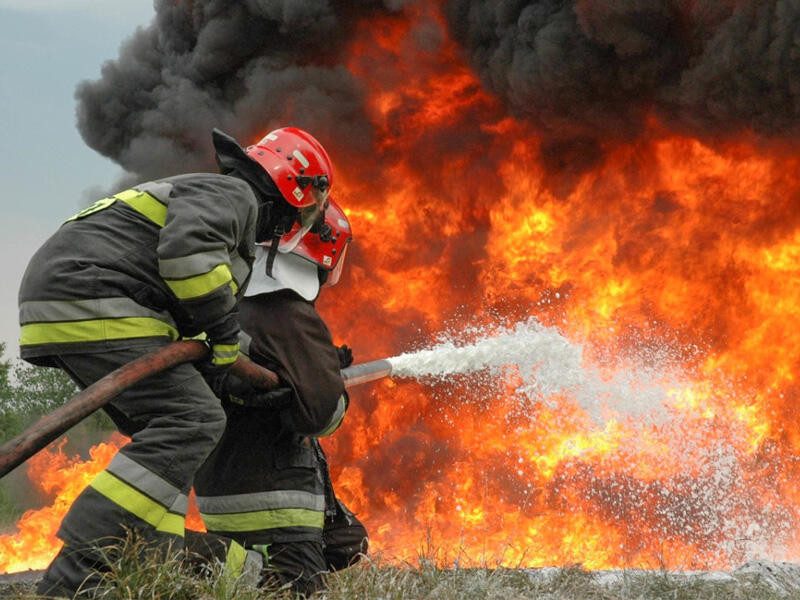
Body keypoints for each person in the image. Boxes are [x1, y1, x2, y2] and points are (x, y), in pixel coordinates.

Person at [18, 126, 335, 598]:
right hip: (95, 294)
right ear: (293, 188)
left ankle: (137, 554)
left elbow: (193, 317)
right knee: (193, 419)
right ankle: (78, 570)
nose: (298, 222)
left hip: (71, 300)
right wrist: (228, 341)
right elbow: (189, 262)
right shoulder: (234, 196)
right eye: (308, 209)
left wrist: (245, 367)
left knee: (166, 438)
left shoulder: (215, 200)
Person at [190, 196, 368, 596]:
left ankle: (231, 568)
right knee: (293, 590)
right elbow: (323, 415)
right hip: (275, 501)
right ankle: (184, 557)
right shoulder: (288, 311)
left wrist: (314, 369)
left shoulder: (227, 304)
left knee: (348, 543)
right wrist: (329, 384)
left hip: (221, 492)